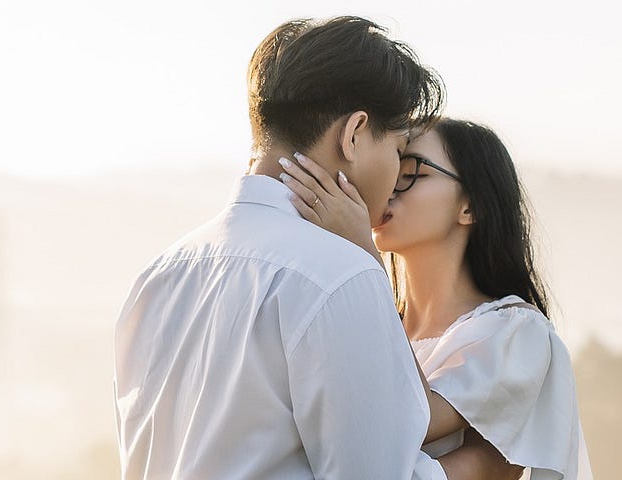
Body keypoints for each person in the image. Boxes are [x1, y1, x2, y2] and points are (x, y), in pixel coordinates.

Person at [114, 16, 522, 480]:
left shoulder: (159, 276)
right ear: (354, 134)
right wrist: (481, 467)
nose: (393, 182)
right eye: (396, 151)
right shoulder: (340, 275)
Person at [279, 118, 592, 479]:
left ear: (470, 207)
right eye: (392, 166)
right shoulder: (371, 320)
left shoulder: (517, 332)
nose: (391, 187)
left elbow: (411, 419)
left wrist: (365, 259)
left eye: (412, 172)